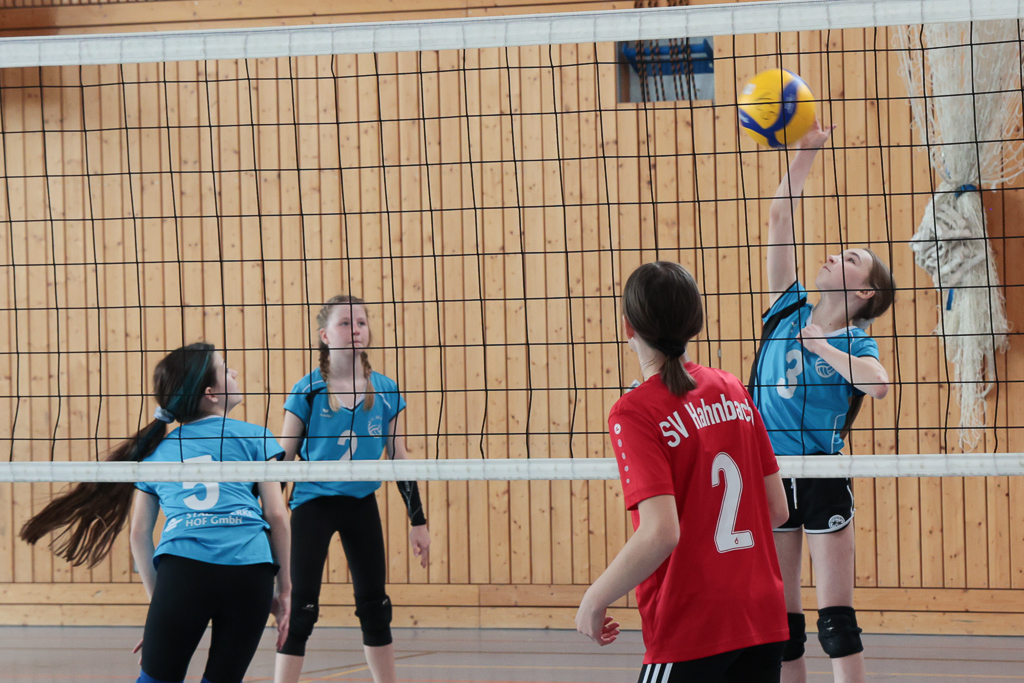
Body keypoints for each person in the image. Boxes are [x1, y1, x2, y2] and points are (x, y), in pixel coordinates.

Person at [21, 342, 291, 683]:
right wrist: (285, 588)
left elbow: (138, 534)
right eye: (225, 369)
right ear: (210, 394)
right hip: (251, 573)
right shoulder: (256, 436)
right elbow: (277, 516)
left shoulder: (157, 451)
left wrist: (158, 607)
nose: (234, 372)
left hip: (185, 571)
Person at [575, 261, 791, 683]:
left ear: (628, 326)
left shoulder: (635, 412)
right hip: (762, 615)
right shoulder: (732, 389)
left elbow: (661, 532)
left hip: (694, 623)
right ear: (695, 322)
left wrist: (594, 598)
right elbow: (777, 510)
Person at [753, 120, 894, 683]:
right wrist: (807, 151)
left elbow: (878, 384)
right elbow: (778, 217)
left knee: (836, 622)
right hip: (771, 470)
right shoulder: (786, 308)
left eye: (850, 257)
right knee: (782, 621)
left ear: (864, 291)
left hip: (821, 472)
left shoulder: (856, 340)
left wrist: (823, 348)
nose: (835, 255)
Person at [274, 295, 430, 683]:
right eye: (345, 323)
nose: (355, 329)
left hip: (361, 503)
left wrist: (418, 522)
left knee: (376, 609)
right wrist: (266, 521)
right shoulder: (308, 390)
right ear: (325, 335)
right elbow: (281, 462)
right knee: (301, 611)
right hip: (313, 503)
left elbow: (399, 458)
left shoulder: (386, 391)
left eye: (360, 322)